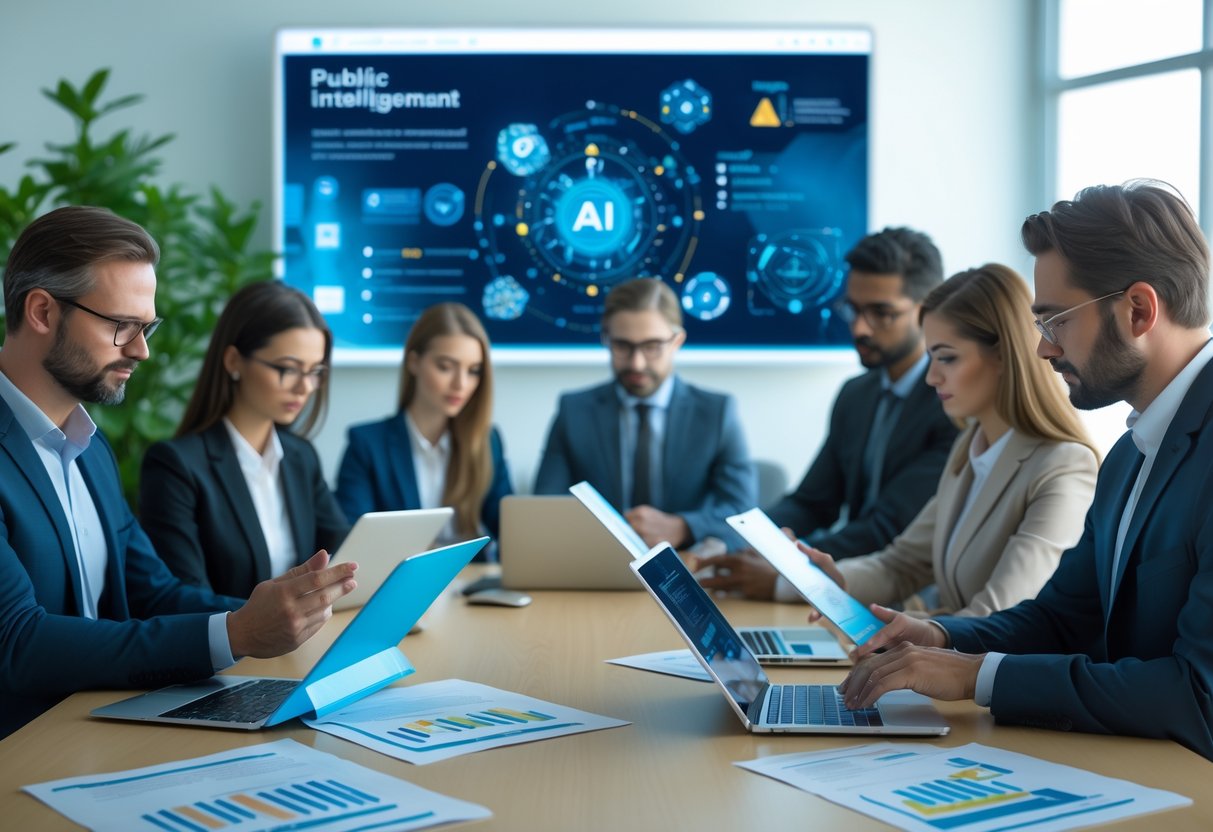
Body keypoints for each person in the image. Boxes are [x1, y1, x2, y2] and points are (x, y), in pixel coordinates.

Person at [836, 181, 1213, 762]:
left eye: (1055, 321)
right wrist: (941, 637)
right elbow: (1062, 619)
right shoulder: (1130, 453)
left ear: (1138, 310)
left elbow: (1199, 697)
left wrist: (975, 676)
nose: (1043, 350)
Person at [0, 206, 356, 738]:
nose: (141, 350)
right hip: (25, 750)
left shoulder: (89, 449)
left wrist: (280, 614)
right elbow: (17, 642)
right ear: (43, 312)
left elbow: (156, 593)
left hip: (98, 727)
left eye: (146, 327)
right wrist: (236, 633)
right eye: (122, 326)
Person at [805, 264, 1099, 617]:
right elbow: (902, 565)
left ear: (1004, 355)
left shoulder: (1064, 466)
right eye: (931, 357)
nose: (931, 377)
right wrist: (827, 580)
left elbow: (1000, 615)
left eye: (946, 358)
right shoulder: (970, 446)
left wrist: (908, 627)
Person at [698, 227, 958, 598]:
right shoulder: (857, 394)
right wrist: (738, 541)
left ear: (927, 312)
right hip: (843, 589)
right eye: (854, 309)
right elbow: (811, 502)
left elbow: (887, 528)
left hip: (915, 598)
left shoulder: (952, 404)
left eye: (881, 313)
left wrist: (788, 565)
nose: (859, 327)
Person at [139, 281, 350, 598]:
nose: (304, 387)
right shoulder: (175, 466)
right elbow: (183, 598)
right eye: (288, 369)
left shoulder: (300, 457)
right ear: (234, 361)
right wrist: (269, 619)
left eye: (314, 372)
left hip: (312, 630)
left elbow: (344, 552)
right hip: (231, 633)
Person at [533, 277, 756, 547]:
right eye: (622, 346)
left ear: (677, 342)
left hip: (685, 561)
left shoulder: (717, 412)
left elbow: (743, 512)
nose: (636, 363)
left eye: (651, 347)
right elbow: (544, 509)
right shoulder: (574, 411)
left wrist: (683, 527)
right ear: (606, 339)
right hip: (596, 560)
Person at [335, 302, 512, 556]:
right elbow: (352, 542)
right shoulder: (366, 444)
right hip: (400, 579)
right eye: (445, 367)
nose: (461, 384)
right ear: (414, 362)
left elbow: (511, 532)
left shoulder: (487, 441)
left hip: (470, 578)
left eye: (473, 371)